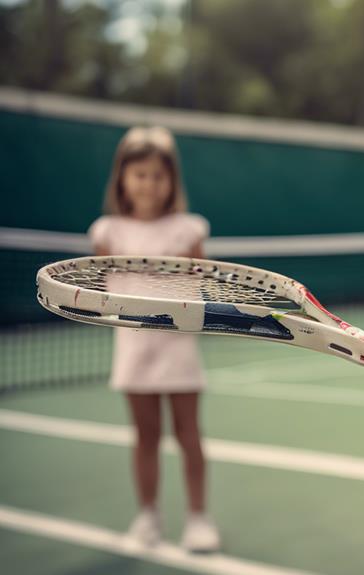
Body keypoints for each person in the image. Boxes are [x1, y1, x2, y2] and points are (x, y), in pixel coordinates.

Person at [89, 126, 221, 553]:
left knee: (188, 435)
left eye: (158, 176)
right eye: (140, 174)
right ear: (123, 179)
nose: (149, 183)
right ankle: (147, 516)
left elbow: (202, 287)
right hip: (133, 351)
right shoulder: (106, 231)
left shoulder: (188, 230)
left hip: (177, 350)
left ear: (171, 183)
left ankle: (198, 519)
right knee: (145, 435)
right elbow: (99, 290)